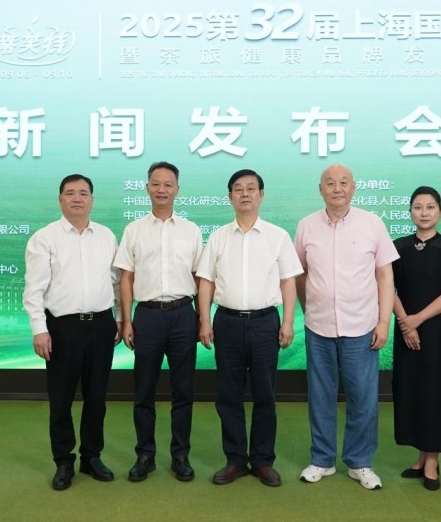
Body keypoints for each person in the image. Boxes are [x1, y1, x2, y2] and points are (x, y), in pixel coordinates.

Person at [294, 164, 398, 490]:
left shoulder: (372, 223)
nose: (337, 188)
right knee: (320, 396)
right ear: (320, 189)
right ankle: (322, 460)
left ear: (353, 187)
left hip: (362, 326)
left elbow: (385, 275)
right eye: (330, 183)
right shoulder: (306, 225)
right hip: (318, 327)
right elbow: (299, 274)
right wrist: (308, 308)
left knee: (363, 398)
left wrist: (384, 321)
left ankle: (360, 462)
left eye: (343, 182)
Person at [197, 169, 302, 488]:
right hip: (226, 323)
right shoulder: (218, 237)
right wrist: (204, 319)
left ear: (261, 195)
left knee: (264, 394)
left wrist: (287, 322)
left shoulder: (277, 236)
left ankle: (262, 461)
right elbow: (206, 281)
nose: (245, 193)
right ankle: (235, 460)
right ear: (230, 197)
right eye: (238, 189)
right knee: (228, 395)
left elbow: (288, 281)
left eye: (251, 188)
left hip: (265, 323)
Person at [23, 174, 122, 491]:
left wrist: (120, 318)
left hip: (102, 325)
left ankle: (92, 457)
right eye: (70, 193)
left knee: (97, 397)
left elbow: (116, 283)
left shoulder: (106, 236)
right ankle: (63, 462)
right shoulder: (44, 238)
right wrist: (39, 330)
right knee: (61, 398)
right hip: (62, 328)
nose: (77, 198)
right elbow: (33, 290)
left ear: (92, 199)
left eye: (83, 193)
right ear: (60, 199)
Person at [113, 161, 203, 483]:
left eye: (168, 184)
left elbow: (200, 277)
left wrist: (202, 319)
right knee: (144, 391)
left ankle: (181, 456)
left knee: (183, 391)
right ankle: (145, 455)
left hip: (183, 315)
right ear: (147, 188)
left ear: (177, 190)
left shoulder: (191, 230)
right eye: (156, 183)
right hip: (147, 316)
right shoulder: (134, 230)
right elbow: (126, 278)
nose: (161, 189)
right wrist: (126, 320)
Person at [392, 186, 441, 492]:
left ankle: (432, 461)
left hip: (439, 331)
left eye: (430, 207)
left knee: (437, 391)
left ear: (440, 212)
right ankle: (421, 455)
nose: (424, 212)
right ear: (410, 212)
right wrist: (406, 324)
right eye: (418, 207)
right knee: (412, 389)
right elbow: (388, 288)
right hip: (406, 329)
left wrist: (417, 320)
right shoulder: (398, 246)